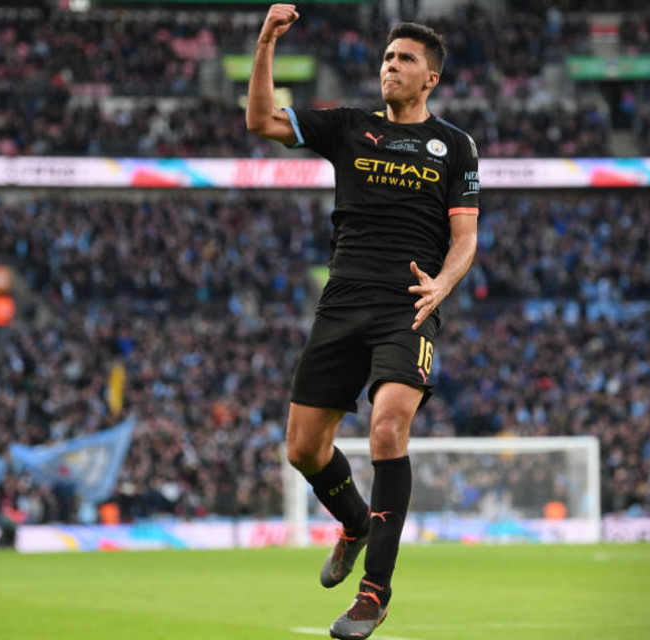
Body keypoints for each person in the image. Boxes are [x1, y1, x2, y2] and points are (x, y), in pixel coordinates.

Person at [246, 5, 479, 639]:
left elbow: (465, 238)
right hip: (342, 300)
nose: (390, 67)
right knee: (302, 449)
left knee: (387, 427)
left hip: (409, 304)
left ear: (430, 77)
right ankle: (352, 521)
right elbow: (261, 120)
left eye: (404, 59)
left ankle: (374, 593)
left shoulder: (455, 146)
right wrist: (266, 40)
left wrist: (445, 282)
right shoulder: (350, 128)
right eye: (386, 58)